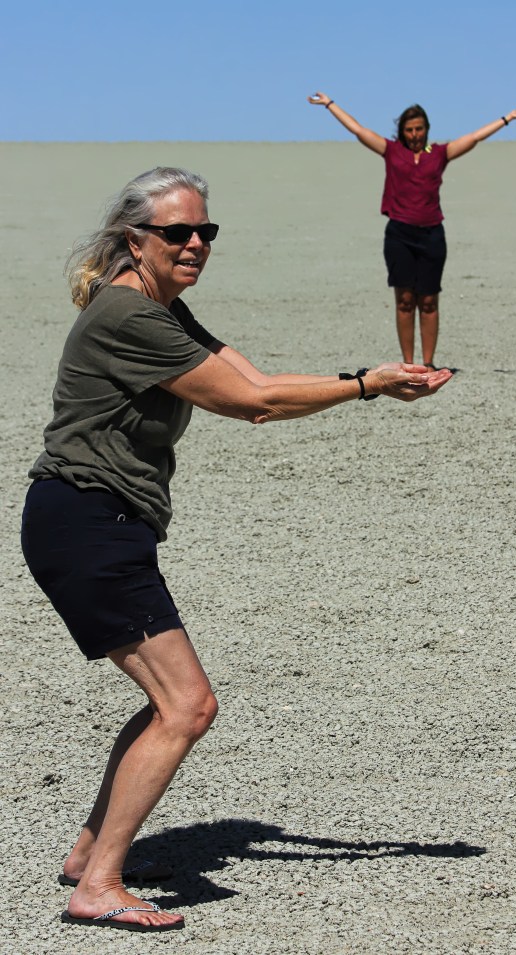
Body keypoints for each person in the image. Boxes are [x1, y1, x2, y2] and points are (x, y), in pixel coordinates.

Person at [21, 166, 453, 933]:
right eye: (176, 233)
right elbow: (252, 405)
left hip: (97, 523)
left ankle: (90, 852)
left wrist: (373, 377)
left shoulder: (162, 308)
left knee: (166, 701)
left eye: (205, 232)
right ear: (134, 239)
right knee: (188, 705)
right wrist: (366, 386)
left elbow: (251, 374)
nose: (194, 245)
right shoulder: (129, 315)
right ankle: (99, 885)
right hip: (88, 523)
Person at [307, 93, 516, 367]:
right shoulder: (392, 151)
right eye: (409, 129)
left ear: (426, 130)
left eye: (419, 129)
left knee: (428, 300)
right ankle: (408, 364)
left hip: (431, 235)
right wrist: (330, 104)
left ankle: (428, 364)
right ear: (401, 131)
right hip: (399, 235)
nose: (414, 134)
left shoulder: (438, 154)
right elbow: (358, 130)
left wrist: (507, 118)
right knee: (404, 300)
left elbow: (474, 138)